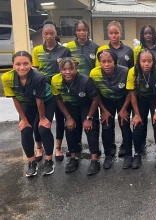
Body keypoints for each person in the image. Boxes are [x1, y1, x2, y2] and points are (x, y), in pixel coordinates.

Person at [2, 51, 56, 177]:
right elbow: (15, 99)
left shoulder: (38, 77)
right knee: (25, 130)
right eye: (18, 64)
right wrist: (24, 119)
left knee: (43, 128)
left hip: (46, 101)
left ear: (31, 64)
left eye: (26, 63)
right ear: (13, 65)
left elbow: (40, 100)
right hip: (26, 103)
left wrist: (42, 118)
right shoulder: (6, 78)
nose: (22, 67)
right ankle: (32, 163)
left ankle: (49, 160)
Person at [51, 58, 101, 175]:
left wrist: (88, 118)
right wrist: (68, 117)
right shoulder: (55, 80)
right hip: (70, 105)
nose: (67, 72)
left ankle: (95, 160)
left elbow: (95, 99)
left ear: (76, 69)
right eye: (64, 69)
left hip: (87, 105)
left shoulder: (86, 80)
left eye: (70, 69)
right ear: (60, 70)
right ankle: (74, 157)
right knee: (70, 129)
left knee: (91, 128)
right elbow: (58, 99)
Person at [32, 23, 71, 162]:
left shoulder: (64, 50)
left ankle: (58, 148)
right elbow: (35, 69)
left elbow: (68, 68)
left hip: (59, 90)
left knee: (61, 119)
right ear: (43, 34)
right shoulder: (36, 50)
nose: (49, 36)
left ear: (56, 34)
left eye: (51, 33)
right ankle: (39, 147)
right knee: (39, 119)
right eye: (46, 34)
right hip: (42, 91)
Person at [96, 21, 134, 157]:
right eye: (111, 33)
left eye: (116, 33)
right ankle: (110, 146)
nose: (114, 35)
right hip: (107, 91)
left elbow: (132, 71)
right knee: (107, 122)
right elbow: (99, 70)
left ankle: (125, 145)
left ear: (121, 33)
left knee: (124, 120)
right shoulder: (102, 51)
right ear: (108, 34)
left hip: (124, 91)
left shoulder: (128, 50)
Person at [90, 50, 133, 169]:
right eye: (103, 62)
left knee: (124, 124)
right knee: (106, 125)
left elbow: (130, 92)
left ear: (115, 62)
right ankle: (108, 155)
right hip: (105, 100)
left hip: (122, 99)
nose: (106, 64)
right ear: (99, 62)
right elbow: (96, 94)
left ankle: (129, 155)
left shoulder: (125, 71)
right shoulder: (94, 73)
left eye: (109, 61)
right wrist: (103, 110)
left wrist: (124, 109)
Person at [123, 50, 156, 168]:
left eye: (149, 61)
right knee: (138, 124)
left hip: (154, 98)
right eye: (143, 61)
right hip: (139, 98)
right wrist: (136, 114)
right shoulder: (132, 71)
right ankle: (137, 154)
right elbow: (132, 94)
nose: (147, 64)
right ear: (138, 62)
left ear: (153, 61)